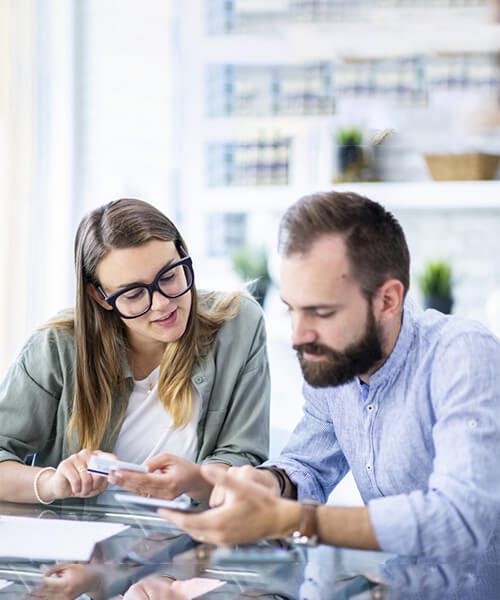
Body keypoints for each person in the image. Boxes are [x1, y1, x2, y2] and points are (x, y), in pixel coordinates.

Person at [163, 190, 500, 561]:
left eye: (321, 313)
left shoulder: (462, 355)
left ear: (388, 301)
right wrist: (269, 483)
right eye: (292, 310)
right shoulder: (336, 361)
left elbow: (461, 520)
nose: (298, 336)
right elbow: (308, 465)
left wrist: (295, 519)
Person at [0, 198, 269, 505]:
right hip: (82, 547)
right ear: (100, 297)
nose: (163, 304)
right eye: (134, 293)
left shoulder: (239, 324)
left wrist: (195, 482)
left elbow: (244, 456)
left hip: (192, 543)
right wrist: (52, 483)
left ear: (184, 255)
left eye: (169, 276)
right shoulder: (57, 347)